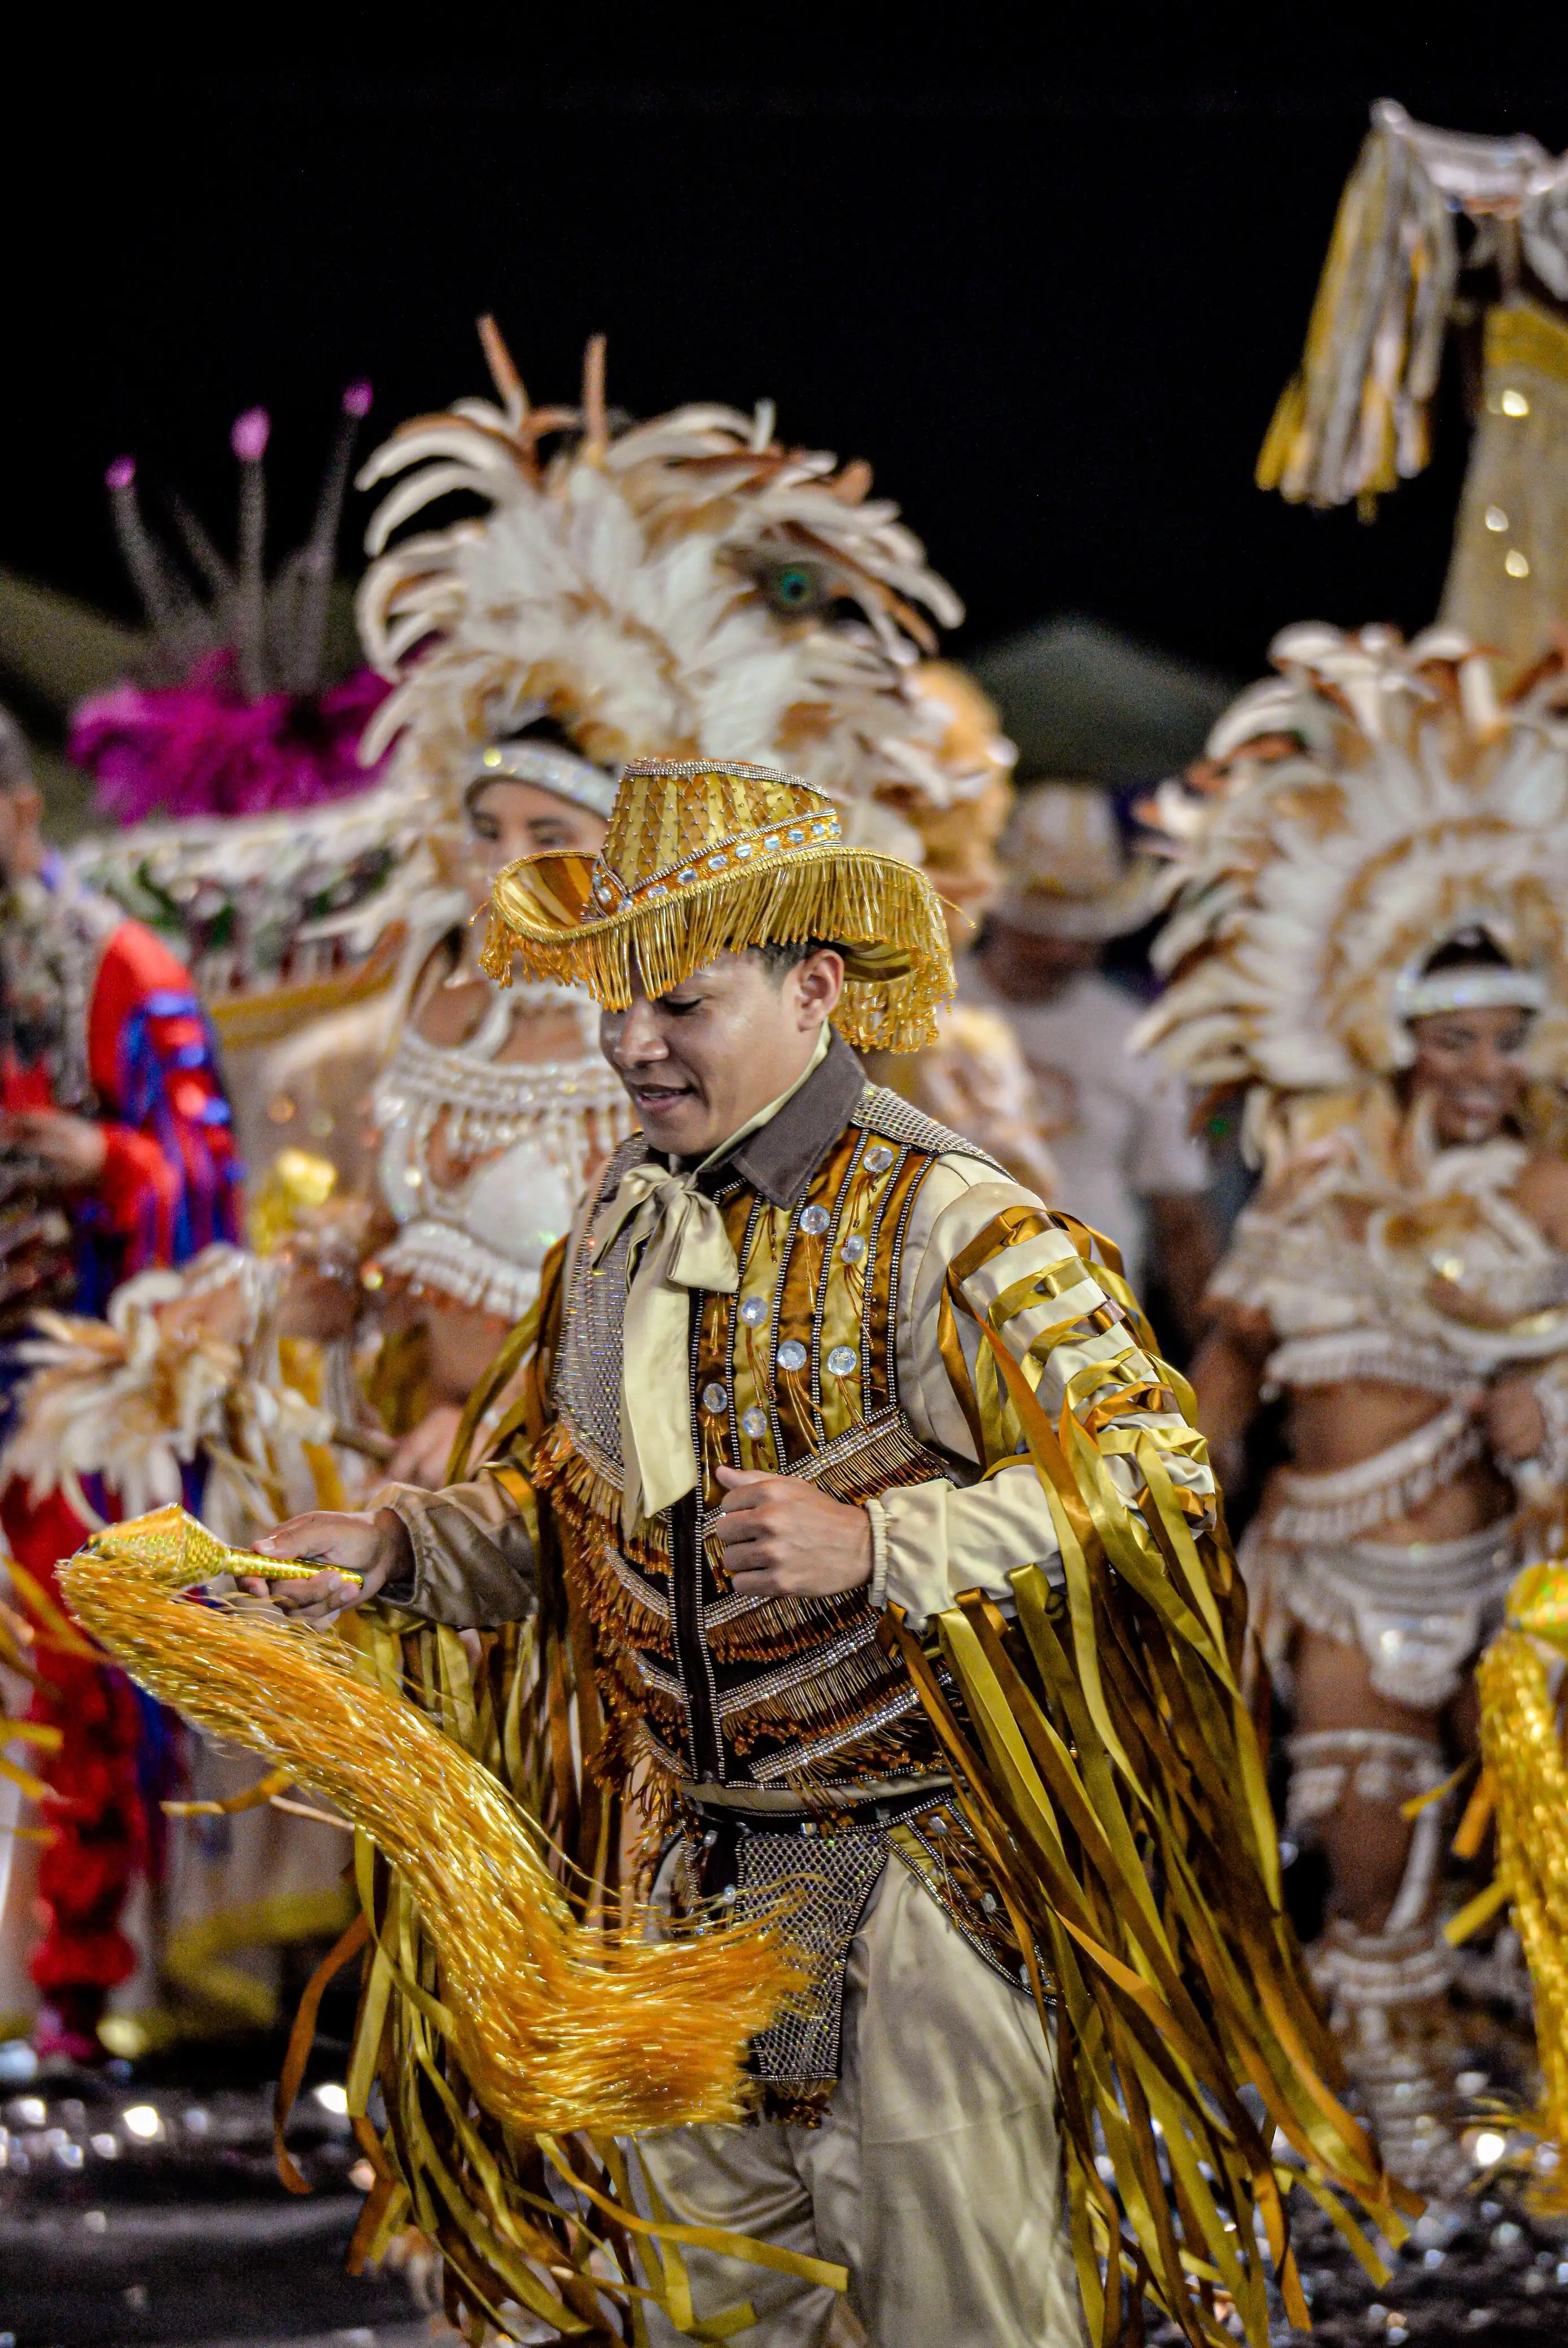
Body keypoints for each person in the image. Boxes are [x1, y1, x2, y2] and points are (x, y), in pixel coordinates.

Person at [238, 755, 1395, 2348]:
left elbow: (1154, 1477)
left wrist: (883, 1537)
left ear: (816, 990)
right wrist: (391, 1550)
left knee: (960, 2313)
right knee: (717, 2317)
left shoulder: (953, 1219)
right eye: (617, 1003)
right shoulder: (619, 1225)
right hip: (681, 1887)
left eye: (683, 1003)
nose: (634, 1042)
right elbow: (567, 1508)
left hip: (918, 1884)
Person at [1138, 623, 1568, 2187]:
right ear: (1396, 1036)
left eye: (1503, 1037)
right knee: (1368, 1836)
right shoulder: (1321, 1172)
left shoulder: (1554, 1185)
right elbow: (1240, 1325)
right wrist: (1205, 1414)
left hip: (1514, 1565)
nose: (1476, 1067)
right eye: (1451, 1038)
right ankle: (1386, 2110)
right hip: (1330, 1555)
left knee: (1526, 1838)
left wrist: (1549, 1425)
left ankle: (1521, 2094)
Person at [0, 703, 239, 2060]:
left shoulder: (118, 968)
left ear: (25, 813)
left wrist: (109, 1168)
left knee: (72, 1662)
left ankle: (76, 1986)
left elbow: (209, 1180)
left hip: (68, 1364)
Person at [963, 779, 1216, 1335]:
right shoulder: (923, 1007)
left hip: (1083, 1337)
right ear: (998, 910)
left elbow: (1180, 1217)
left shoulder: (1139, 1038)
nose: (1061, 949)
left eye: (1083, 934)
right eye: (1043, 929)